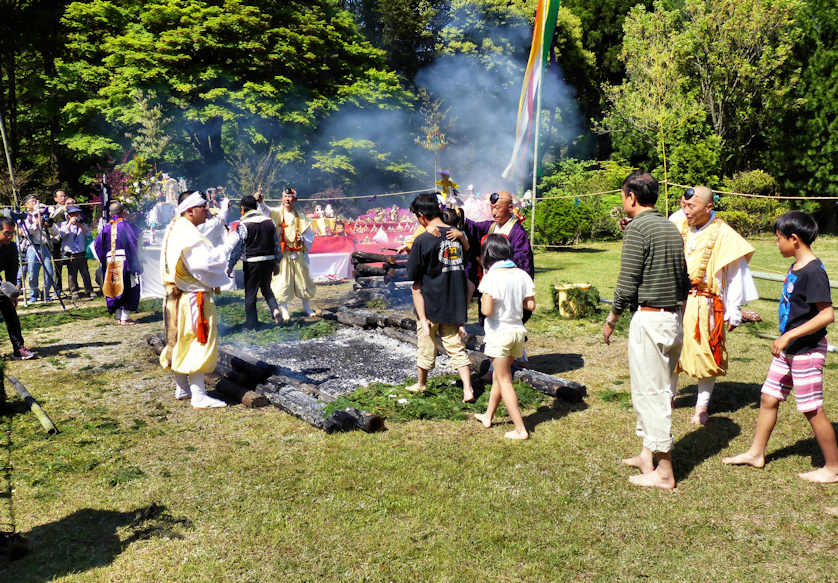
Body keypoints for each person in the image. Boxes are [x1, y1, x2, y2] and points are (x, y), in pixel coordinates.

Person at [723, 212, 838, 483]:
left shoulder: (813, 272)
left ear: (794, 239)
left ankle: (833, 467)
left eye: (778, 239)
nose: (776, 244)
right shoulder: (797, 267)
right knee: (769, 397)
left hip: (806, 351)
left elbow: (826, 315)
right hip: (789, 349)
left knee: (812, 408)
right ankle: (756, 453)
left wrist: (788, 337)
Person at [603, 172, 689, 490]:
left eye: (623, 195)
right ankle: (646, 455)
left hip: (651, 320)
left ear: (632, 197)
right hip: (672, 319)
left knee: (651, 395)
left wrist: (612, 318)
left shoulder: (638, 228)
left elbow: (627, 284)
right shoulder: (669, 226)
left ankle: (664, 472)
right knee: (660, 389)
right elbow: (685, 278)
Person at [671, 186, 758, 425]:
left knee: (707, 354)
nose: (685, 210)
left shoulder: (725, 234)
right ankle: (668, 397)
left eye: (691, 206)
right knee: (671, 349)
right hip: (677, 299)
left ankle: (701, 406)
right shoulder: (677, 221)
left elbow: (735, 275)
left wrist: (734, 310)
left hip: (706, 302)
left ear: (708, 207)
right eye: (683, 204)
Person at [159, 191, 230, 409]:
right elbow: (203, 264)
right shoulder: (187, 232)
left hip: (176, 294)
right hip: (192, 296)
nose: (206, 211)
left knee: (177, 339)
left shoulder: (176, 226)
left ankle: (182, 387)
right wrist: (228, 247)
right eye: (202, 207)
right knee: (197, 340)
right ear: (190, 211)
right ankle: (198, 395)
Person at [405, 193, 474, 402]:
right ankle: (468, 389)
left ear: (421, 215)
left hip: (430, 303)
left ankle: (421, 383)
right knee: (455, 346)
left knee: (425, 344)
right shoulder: (457, 234)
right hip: (453, 302)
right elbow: (468, 258)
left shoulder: (423, 239)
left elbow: (413, 277)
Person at [472, 234, 535, 439]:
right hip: (517, 334)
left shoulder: (491, 277)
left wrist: (482, 302)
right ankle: (488, 416)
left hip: (499, 335)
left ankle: (520, 429)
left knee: (504, 380)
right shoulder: (522, 274)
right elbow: (530, 305)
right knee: (501, 376)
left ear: (487, 254)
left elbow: (488, 310)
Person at [255, 187, 316, 320]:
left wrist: (303, 239)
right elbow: (265, 211)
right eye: (285, 197)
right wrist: (260, 202)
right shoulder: (276, 212)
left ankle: (307, 307)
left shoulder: (301, 216)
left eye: (290, 197)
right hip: (283, 254)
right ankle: (284, 309)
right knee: (283, 281)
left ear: (295, 200)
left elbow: (310, 235)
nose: (288, 199)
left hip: (298, 253)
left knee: (303, 280)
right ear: (282, 198)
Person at [226, 195, 282, 328]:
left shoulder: (243, 225)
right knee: (266, 289)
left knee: (250, 293)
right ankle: (275, 309)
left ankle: (252, 323)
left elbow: (239, 248)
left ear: (243, 209)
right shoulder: (269, 221)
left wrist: (230, 265)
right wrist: (277, 263)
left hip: (251, 262)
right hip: (268, 260)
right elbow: (277, 245)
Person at [94, 201, 141, 325]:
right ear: (123, 212)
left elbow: (97, 245)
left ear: (110, 213)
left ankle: (119, 315)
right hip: (124, 261)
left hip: (111, 261)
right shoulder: (126, 226)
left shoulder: (106, 227)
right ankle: (125, 318)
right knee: (126, 286)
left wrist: (104, 259)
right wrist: (135, 259)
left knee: (114, 286)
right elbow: (134, 242)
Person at [0, 218, 33, 359]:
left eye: (12, 233)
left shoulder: (11, 247)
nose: (10, 236)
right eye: (6, 233)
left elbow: (11, 272)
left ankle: (19, 348)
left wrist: (12, 294)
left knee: (11, 314)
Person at [20, 195, 57, 302]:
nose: (35, 203)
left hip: (45, 246)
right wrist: (36, 224)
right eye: (32, 201)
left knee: (49, 271)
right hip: (32, 246)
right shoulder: (25, 217)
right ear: (26, 204)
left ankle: (46, 294)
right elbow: (25, 232)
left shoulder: (44, 214)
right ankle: (34, 294)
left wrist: (49, 225)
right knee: (32, 272)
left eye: (36, 201)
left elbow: (55, 233)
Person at [57, 206, 94, 298]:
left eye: (77, 214)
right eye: (73, 214)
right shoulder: (63, 224)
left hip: (81, 252)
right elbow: (61, 235)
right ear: (69, 215)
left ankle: (89, 290)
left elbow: (88, 235)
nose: (75, 216)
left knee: (85, 272)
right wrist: (69, 224)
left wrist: (80, 226)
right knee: (72, 273)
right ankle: (73, 291)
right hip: (70, 252)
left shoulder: (82, 224)